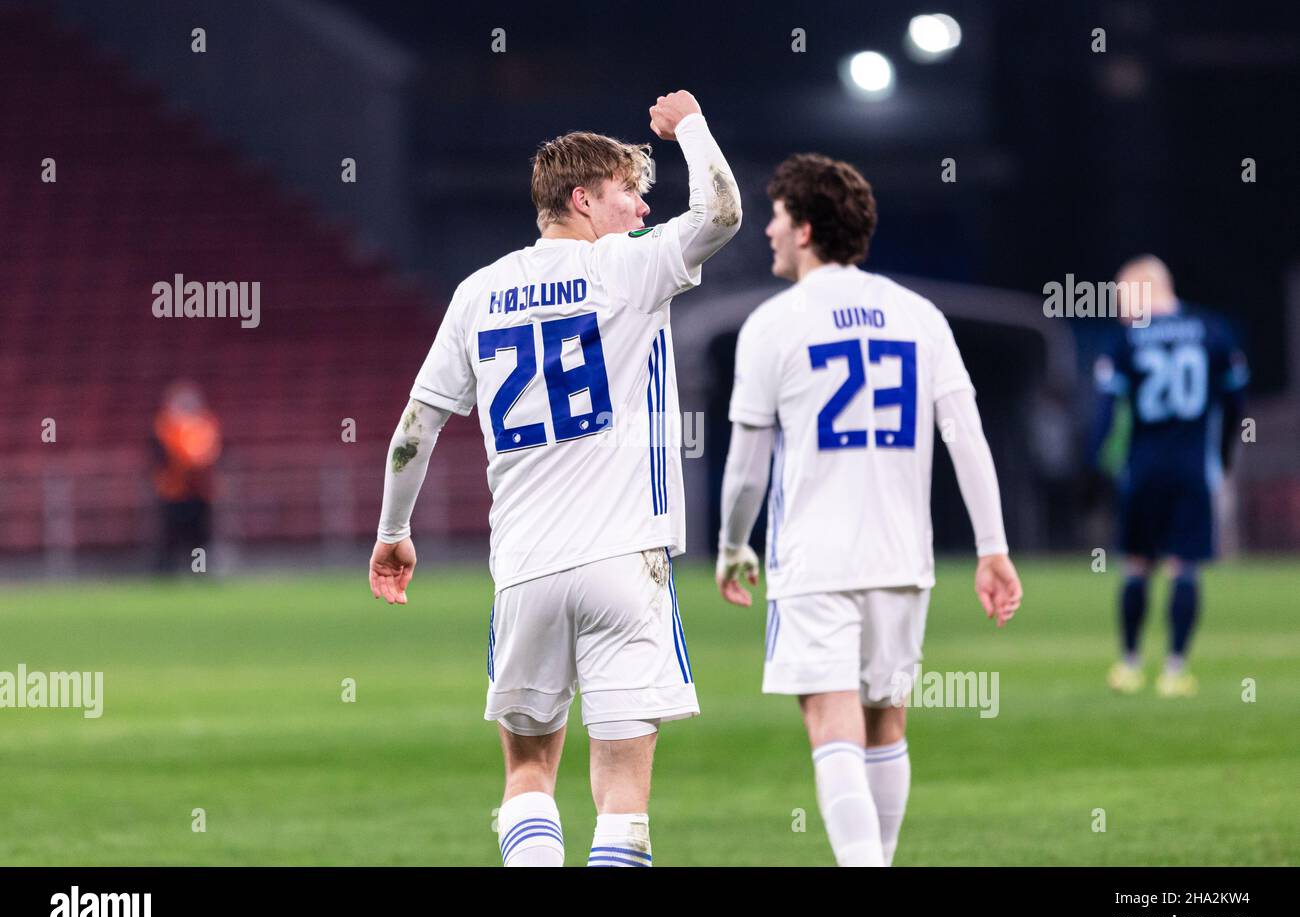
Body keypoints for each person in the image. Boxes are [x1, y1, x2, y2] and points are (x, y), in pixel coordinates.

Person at [369, 91, 741, 866]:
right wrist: (692, 126)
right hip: (623, 562)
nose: (641, 208)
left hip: (525, 572)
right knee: (623, 801)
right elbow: (724, 213)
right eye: (627, 193)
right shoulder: (629, 268)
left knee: (530, 772)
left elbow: (416, 426)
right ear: (582, 200)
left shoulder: (477, 293)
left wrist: (393, 532)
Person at [716, 153, 1021, 866]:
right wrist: (992, 546)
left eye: (778, 217)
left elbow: (745, 466)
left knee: (831, 724)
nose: (766, 231)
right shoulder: (920, 314)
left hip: (813, 557)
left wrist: (733, 544)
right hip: (900, 555)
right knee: (885, 725)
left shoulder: (771, 324)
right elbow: (966, 437)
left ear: (807, 228)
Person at [1090, 255, 1249, 697]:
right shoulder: (1213, 330)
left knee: (1136, 565)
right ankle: (1176, 669)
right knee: (1185, 566)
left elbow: (1105, 411)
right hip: (1192, 467)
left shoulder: (1127, 339)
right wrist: (1223, 454)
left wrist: (1093, 464)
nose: (1120, 307)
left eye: (1123, 296)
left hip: (1143, 469)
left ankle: (1130, 663)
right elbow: (1236, 401)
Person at [151, 380, 221, 573]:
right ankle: (166, 573)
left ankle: (199, 571)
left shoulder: (204, 425)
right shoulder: (165, 426)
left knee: (199, 537)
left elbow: (207, 453)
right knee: (170, 535)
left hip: (199, 491)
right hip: (173, 491)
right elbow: (167, 456)